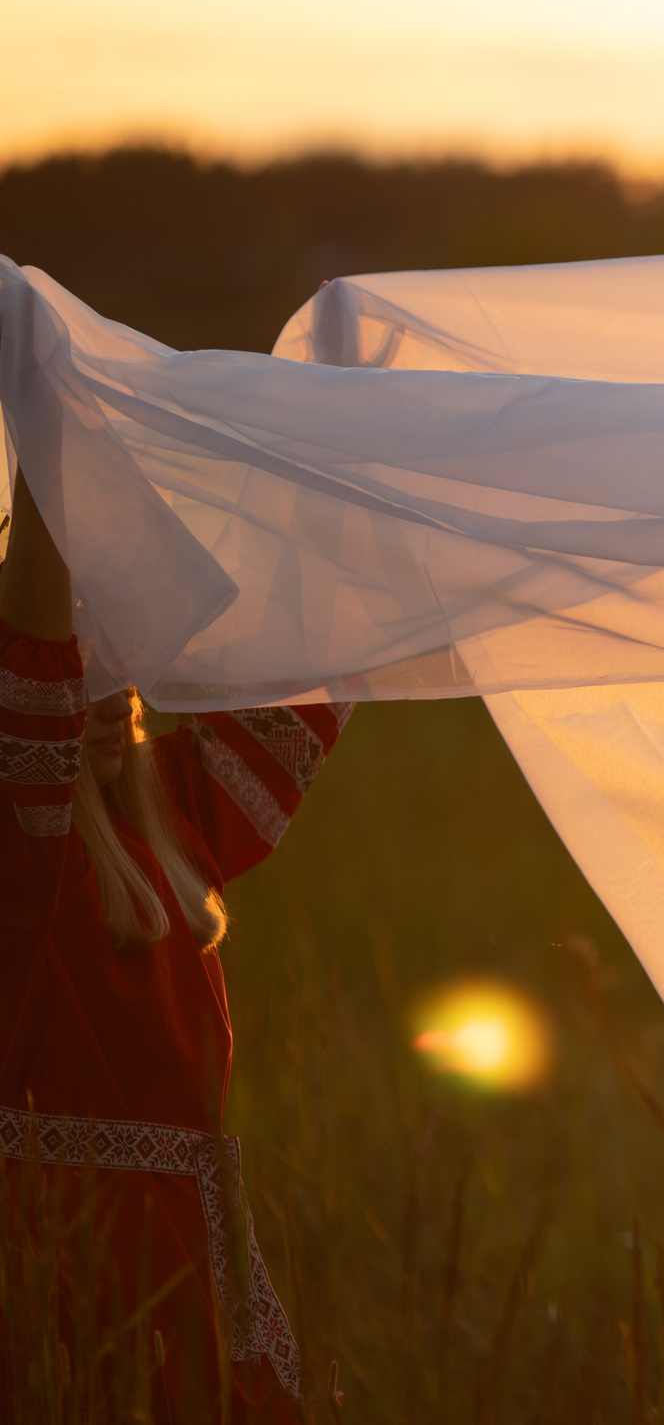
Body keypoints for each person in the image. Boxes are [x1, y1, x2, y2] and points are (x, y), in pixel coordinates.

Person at [0, 467, 349, 1419]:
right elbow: (29, 671)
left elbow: (312, 676)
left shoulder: (175, 821)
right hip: (72, 1265)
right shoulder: (25, 850)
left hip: (198, 1269)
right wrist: (44, 447)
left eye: (121, 656)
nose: (108, 689)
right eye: (83, 663)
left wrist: (341, 434)